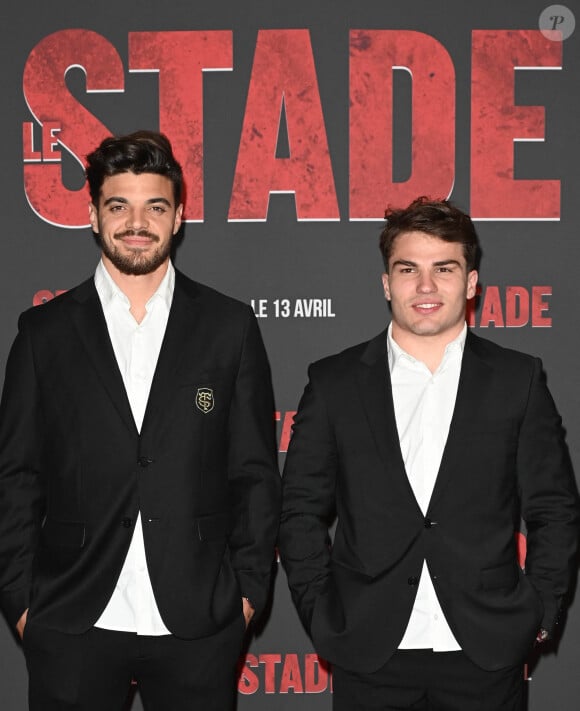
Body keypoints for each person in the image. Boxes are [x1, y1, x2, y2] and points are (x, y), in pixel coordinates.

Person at [0, 130, 281, 710]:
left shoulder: (229, 327)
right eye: (118, 206)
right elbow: (16, 478)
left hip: (198, 619)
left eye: (154, 206)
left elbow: (253, 472)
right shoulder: (43, 334)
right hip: (71, 616)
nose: (136, 222)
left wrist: (247, 594)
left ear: (178, 216)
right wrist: (23, 603)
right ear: (93, 215)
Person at [278, 197, 579, 710]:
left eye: (444, 269)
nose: (425, 286)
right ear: (386, 283)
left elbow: (554, 509)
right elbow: (300, 511)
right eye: (408, 269)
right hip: (369, 651)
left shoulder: (517, 380)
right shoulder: (334, 383)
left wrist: (540, 612)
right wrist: (321, 612)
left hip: (486, 652)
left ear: (471, 282)